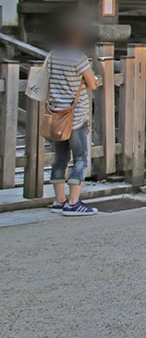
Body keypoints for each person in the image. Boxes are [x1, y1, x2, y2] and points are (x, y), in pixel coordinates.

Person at [47, 17, 100, 216]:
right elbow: (91, 83)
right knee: (80, 158)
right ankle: (74, 202)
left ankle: (59, 200)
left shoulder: (52, 55)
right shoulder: (79, 58)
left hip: (56, 114)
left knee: (60, 158)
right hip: (75, 115)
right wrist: (93, 80)